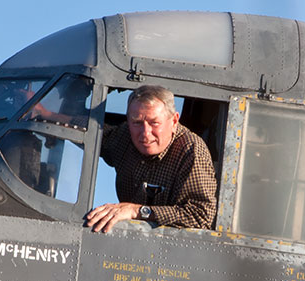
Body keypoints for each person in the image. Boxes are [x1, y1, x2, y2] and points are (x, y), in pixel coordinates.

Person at [87, 86, 217, 233]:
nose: (145, 134)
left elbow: (201, 216)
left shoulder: (191, 152)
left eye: (154, 123)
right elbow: (83, 127)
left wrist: (137, 211)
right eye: (137, 122)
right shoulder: (123, 137)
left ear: (174, 121)